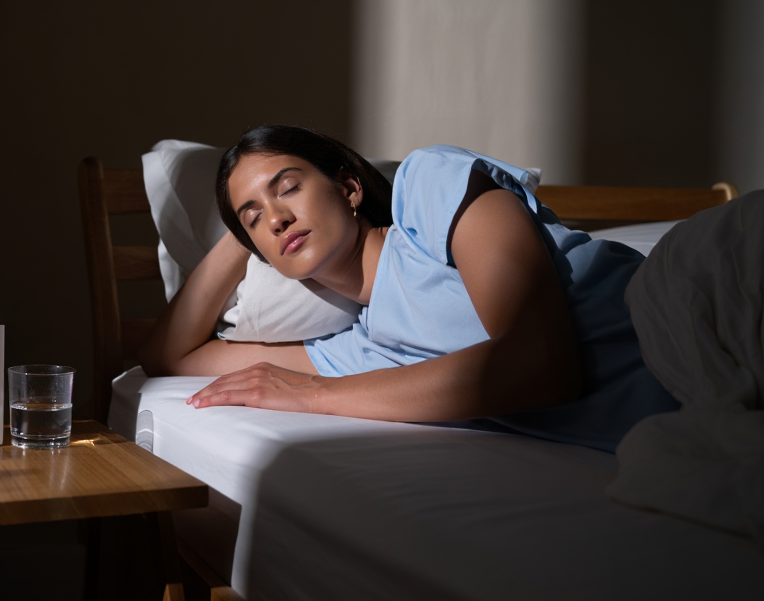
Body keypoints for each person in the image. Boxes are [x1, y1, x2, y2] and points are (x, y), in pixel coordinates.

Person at [137, 125, 680, 453]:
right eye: (254, 217)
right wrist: (244, 238)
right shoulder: (361, 351)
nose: (276, 218)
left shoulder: (428, 189)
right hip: (695, 412)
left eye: (290, 188)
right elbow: (168, 356)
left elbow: (540, 362)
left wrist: (310, 395)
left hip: (709, 317)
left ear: (350, 186)